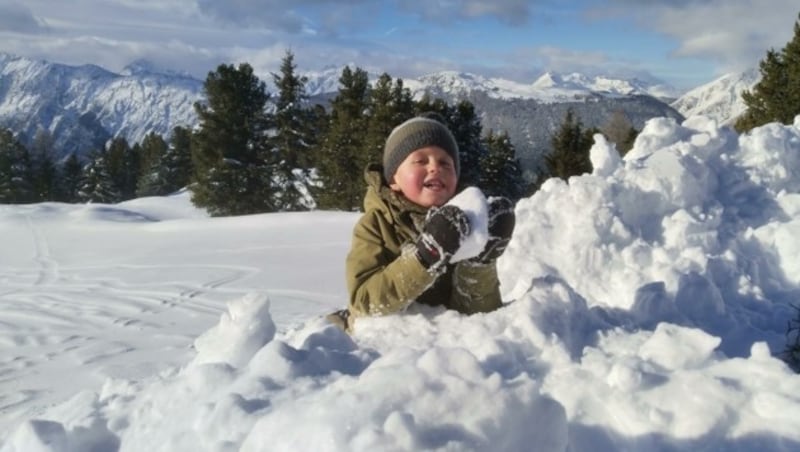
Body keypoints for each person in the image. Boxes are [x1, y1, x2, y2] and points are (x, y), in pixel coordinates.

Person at [328, 114, 515, 331]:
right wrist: (424, 258)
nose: (435, 167)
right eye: (420, 161)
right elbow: (364, 301)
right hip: (380, 346)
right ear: (394, 180)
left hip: (441, 348)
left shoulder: (464, 224)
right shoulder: (375, 225)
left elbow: (477, 317)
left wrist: (480, 263)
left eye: (445, 162)